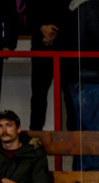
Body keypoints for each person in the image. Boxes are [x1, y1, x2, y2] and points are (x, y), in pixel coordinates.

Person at [63, 0, 99, 172]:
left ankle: (81, 181)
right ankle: (91, 180)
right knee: (94, 134)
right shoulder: (97, 7)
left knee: (82, 133)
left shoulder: (74, 9)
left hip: (77, 77)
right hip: (93, 78)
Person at [28, 0, 72, 131]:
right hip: (40, 47)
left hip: (65, 48)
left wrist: (53, 34)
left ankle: (74, 142)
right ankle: (34, 142)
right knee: (38, 97)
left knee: (70, 97)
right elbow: (27, 12)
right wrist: (41, 29)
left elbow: (72, 13)